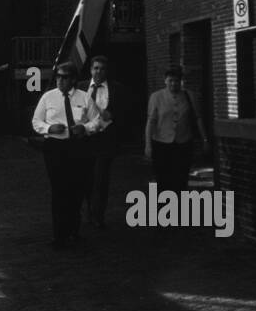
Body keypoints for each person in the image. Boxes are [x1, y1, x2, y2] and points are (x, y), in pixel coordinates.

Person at [32, 61, 102, 249]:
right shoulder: (48, 97)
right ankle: (59, 235)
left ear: (73, 79)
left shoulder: (85, 97)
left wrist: (85, 128)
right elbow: (36, 121)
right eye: (58, 77)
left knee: (77, 189)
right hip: (55, 148)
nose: (60, 80)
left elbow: (97, 121)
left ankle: (74, 231)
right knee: (59, 190)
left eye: (64, 77)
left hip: (78, 147)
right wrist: (49, 128)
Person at [78, 55, 130, 230]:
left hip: (106, 141)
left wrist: (113, 115)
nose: (98, 71)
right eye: (96, 68)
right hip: (86, 140)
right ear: (91, 70)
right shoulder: (81, 88)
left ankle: (98, 215)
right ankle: (89, 211)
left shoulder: (117, 89)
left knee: (101, 179)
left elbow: (126, 113)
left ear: (106, 71)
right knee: (86, 178)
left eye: (102, 68)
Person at [145, 66, 209, 194]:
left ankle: (179, 207)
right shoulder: (156, 97)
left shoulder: (189, 95)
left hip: (183, 142)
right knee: (163, 177)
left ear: (181, 82)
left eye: (176, 81)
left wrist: (205, 139)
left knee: (181, 177)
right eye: (170, 80)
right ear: (165, 81)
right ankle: (164, 207)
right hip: (162, 142)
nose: (173, 84)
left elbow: (198, 118)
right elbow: (151, 121)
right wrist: (148, 144)